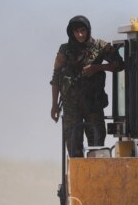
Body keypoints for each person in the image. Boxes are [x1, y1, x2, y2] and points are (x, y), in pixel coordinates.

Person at [50, 15, 124, 157]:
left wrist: (97, 68)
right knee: (73, 151)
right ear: (71, 33)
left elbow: (119, 65)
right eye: (76, 32)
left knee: (96, 149)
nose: (80, 35)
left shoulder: (100, 47)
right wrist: (54, 105)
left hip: (94, 106)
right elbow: (56, 78)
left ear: (88, 30)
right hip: (71, 107)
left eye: (83, 31)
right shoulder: (65, 50)